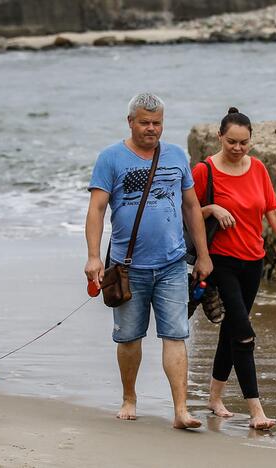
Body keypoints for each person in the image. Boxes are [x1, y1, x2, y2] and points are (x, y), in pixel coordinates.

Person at [84, 93, 213, 429]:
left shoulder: (175, 156)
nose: (151, 129)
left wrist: (203, 254)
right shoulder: (111, 158)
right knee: (129, 337)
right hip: (127, 268)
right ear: (131, 122)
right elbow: (97, 209)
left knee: (176, 335)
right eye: (145, 122)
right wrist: (94, 257)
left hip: (171, 264)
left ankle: (181, 410)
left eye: (157, 123)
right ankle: (129, 397)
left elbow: (190, 207)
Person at [193, 107, 276, 430]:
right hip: (220, 262)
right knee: (243, 335)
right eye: (231, 142)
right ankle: (256, 410)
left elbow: (273, 212)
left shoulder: (257, 168)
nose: (238, 148)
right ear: (219, 137)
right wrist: (212, 208)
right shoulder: (205, 171)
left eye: (244, 142)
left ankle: (215, 398)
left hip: (253, 262)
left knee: (231, 329)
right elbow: (186, 213)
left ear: (251, 140)